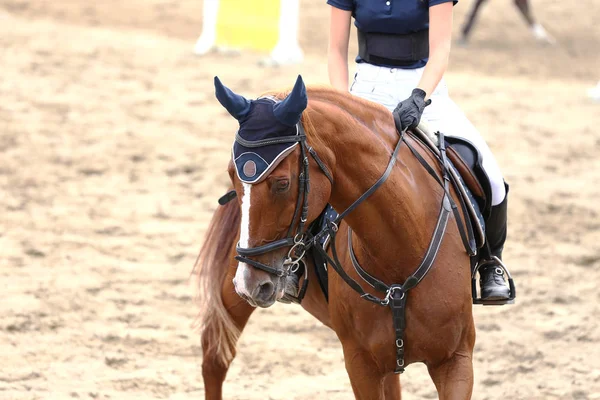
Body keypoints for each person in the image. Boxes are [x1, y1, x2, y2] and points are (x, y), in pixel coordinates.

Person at [327, 0, 510, 301]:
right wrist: (342, 100)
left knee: (489, 173)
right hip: (367, 89)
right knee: (324, 162)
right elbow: (335, 50)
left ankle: (492, 263)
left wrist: (419, 97)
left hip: (423, 87)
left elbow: (440, 49)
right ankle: (299, 263)